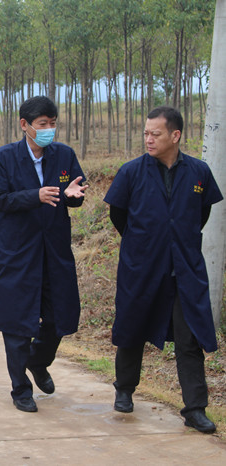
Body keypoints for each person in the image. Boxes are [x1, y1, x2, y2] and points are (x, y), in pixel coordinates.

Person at [104, 106, 222, 433]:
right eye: (146, 133)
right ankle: (124, 389)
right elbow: (118, 215)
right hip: (142, 266)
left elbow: (201, 215)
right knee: (132, 326)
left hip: (185, 268)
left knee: (189, 337)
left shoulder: (199, 172)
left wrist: (176, 241)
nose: (149, 139)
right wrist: (145, 243)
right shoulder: (131, 172)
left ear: (175, 135)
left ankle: (195, 408)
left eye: (155, 134)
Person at [0, 96, 87, 413]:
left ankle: (38, 361)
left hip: (54, 251)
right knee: (16, 323)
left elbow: (74, 192)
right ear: (24, 125)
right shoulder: (3, 158)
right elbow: (0, 200)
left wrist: (73, 196)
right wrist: (35, 196)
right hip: (17, 251)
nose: (48, 129)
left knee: (58, 316)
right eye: (43, 124)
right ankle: (21, 389)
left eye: (53, 123)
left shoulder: (64, 155)